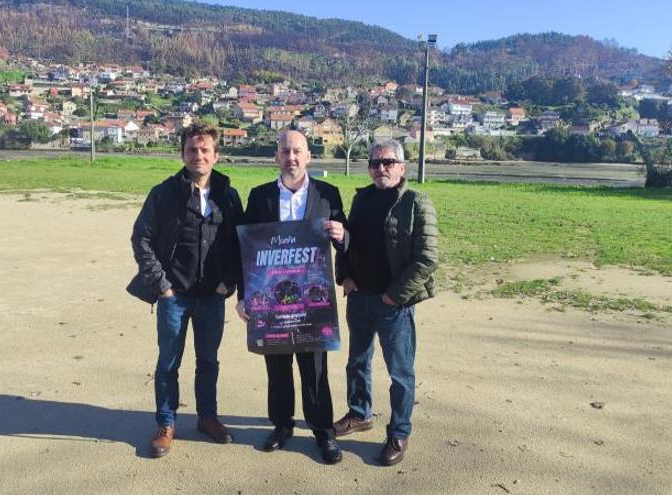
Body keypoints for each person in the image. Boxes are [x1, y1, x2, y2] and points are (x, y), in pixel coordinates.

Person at [127, 123, 243, 458]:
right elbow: (142, 238)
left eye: (205, 150)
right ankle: (166, 423)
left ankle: (207, 418)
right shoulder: (163, 193)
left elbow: (240, 244)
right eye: (192, 150)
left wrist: (228, 282)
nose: (199, 156)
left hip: (212, 297)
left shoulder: (228, 195)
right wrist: (160, 285)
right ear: (183, 154)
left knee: (208, 361)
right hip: (174, 297)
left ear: (216, 155)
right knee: (168, 362)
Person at [235, 129, 347, 464]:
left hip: (313, 301)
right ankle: (282, 426)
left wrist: (343, 234)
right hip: (271, 301)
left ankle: (323, 432)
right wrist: (245, 297)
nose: (291, 158)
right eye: (285, 151)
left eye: (297, 151)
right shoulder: (259, 197)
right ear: (276, 157)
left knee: (314, 370)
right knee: (277, 367)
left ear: (309, 155)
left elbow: (346, 240)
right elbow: (246, 250)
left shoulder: (328, 194)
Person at [333, 139, 439, 466]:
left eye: (388, 162)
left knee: (400, 372)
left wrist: (395, 295)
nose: (381, 168)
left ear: (402, 167)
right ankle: (360, 413)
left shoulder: (417, 203)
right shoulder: (362, 198)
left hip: (394, 304)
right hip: (360, 297)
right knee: (357, 362)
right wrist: (345, 277)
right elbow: (348, 243)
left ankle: (399, 431)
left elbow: (427, 259)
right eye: (376, 163)